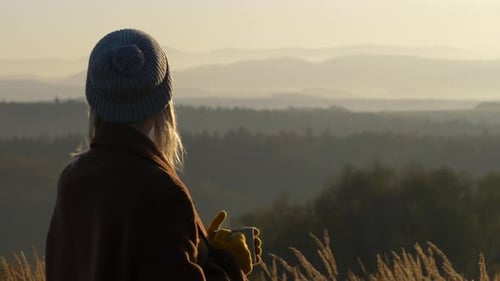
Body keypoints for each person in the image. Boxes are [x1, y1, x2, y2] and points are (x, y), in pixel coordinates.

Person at [45, 28, 262, 281]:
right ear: (162, 103)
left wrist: (203, 250)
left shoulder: (72, 180)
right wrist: (228, 262)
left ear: (96, 102)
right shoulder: (165, 194)